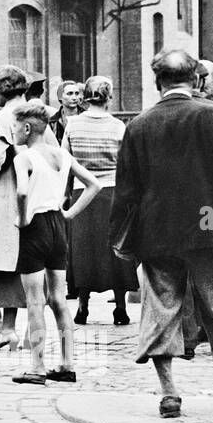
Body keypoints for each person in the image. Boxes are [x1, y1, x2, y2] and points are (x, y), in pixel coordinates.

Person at [110, 49, 213, 419]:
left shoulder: (138, 125)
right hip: (209, 226)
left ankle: (170, 393)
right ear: (196, 79)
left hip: (157, 232)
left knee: (161, 309)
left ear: (158, 82)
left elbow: (126, 190)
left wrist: (122, 237)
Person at [10, 101, 101, 384]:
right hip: (58, 227)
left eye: (15, 127)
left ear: (27, 128)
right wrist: (70, 213)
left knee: (35, 301)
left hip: (35, 227)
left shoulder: (23, 157)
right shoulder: (62, 155)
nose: (14, 132)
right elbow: (94, 184)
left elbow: (23, 192)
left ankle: (36, 366)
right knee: (58, 299)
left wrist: (23, 218)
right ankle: (66, 363)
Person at [0, 66, 49, 351]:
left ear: (1, 88)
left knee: (4, 258)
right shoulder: (38, 114)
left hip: (6, 193)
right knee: (30, 260)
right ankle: (33, 328)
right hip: (36, 192)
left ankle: (7, 329)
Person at [61, 76, 137, 326]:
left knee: (84, 250)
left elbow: (65, 164)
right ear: (109, 97)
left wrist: (66, 194)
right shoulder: (118, 127)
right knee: (115, 250)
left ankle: (83, 306)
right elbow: (127, 167)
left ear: (85, 97)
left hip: (81, 195)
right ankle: (120, 307)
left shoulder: (72, 125)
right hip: (112, 194)